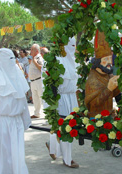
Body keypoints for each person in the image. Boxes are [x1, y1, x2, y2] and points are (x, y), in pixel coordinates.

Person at [45, 37, 79, 168]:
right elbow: (48, 84)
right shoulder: (55, 62)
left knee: (66, 127)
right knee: (65, 128)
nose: (73, 48)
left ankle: (51, 145)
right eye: (70, 45)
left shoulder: (75, 62)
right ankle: (67, 159)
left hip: (72, 99)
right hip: (61, 99)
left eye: (74, 45)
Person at [85, 29, 120, 118]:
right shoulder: (93, 79)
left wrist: (118, 84)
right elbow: (93, 104)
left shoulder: (108, 74)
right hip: (97, 118)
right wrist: (109, 89)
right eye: (106, 60)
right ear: (98, 62)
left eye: (110, 59)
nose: (110, 63)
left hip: (109, 115)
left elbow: (114, 93)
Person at [29, 44, 44, 119]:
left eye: (32, 49)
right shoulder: (33, 58)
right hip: (33, 81)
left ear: (37, 51)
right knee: (35, 98)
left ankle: (47, 113)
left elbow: (41, 68)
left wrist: (34, 61)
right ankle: (36, 113)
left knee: (41, 97)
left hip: (38, 80)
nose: (30, 51)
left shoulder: (38, 58)